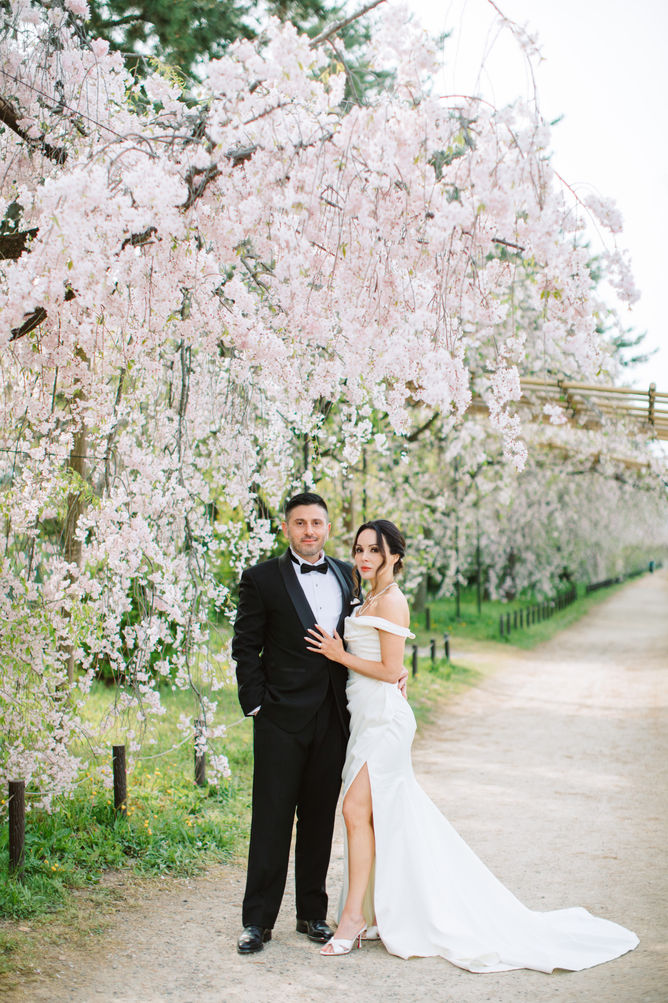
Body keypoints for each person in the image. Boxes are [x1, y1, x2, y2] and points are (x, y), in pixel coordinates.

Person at [306, 519, 639, 971]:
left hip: (384, 720)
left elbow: (390, 669)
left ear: (394, 557)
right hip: (364, 716)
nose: (363, 558)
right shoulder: (366, 598)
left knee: (354, 810)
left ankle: (351, 920)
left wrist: (338, 653)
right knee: (376, 815)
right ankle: (374, 912)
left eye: (374, 551)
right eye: (360, 549)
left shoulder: (394, 600)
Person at [232, 492, 355, 954]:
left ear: (327, 527)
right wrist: (258, 705)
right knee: (272, 819)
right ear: (287, 528)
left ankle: (312, 915)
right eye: (300, 523)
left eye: (317, 523)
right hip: (280, 718)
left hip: (334, 717)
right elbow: (245, 646)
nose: (309, 530)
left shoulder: (348, 574)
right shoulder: (261, 579)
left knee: (320, 818)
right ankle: (257, 923)